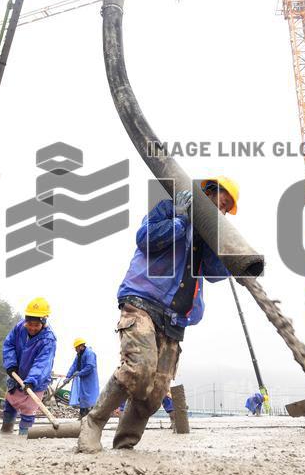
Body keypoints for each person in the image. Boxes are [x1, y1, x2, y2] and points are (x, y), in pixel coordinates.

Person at [78, 176, 238, 453]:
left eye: (225, 209)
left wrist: (233, 255)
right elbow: (145, 239)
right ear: (208, 194)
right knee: (138, 370)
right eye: (220, 204)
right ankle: (92, 424)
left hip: (174, 318)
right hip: (143, 301)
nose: (221, 212)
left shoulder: (208, 236)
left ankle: (125, 445)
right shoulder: (169, 208)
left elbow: (214, 273)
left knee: (155, 393)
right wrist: (181, 219)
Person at [0, 297, 57, 437]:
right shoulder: (20, 328)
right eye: (29, 324)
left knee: (28, 409)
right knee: (9, 404)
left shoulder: (48, 339)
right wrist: (11, 364)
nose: (32, 328)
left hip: (36, 381)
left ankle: (23, 437)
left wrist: (32, 380)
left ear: (43, 322)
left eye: (36, 325)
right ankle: (6, 432)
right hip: (17, 374)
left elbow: (43, 363)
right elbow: (9, 345)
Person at [65, 338, 99, 419]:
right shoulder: (79, 355)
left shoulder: (90, 353)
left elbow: (90, 366)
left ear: (81, 346)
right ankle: (82, 415)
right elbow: (74, 366)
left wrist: (80, 373)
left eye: (76, 348)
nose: (75, 350)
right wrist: (68, 376)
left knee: (89, 397)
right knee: (82, 396)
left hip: (90, 379)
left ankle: (90, 417)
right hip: (82, 378)